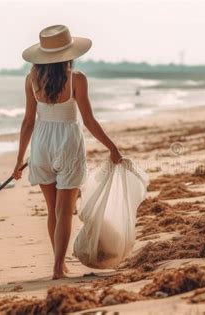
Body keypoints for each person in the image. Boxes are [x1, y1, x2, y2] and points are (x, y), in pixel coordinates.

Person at [12, 25, 122, 279]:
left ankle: (58, 264)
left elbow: (28, 122)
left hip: (41, 146)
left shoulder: (32, 79)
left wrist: (19, 160)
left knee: (53, 211)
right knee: (64, 213)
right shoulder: (77, 79)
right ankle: (57, 268)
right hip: (69, 146)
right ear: (69, 52)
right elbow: (90, 121)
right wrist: (112, 147)